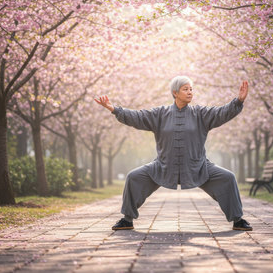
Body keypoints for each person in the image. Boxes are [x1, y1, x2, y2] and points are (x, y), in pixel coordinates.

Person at [94, 76, 252, 231]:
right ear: (175, 93)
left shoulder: (201, 114)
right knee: (133, 177)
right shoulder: (160, 114)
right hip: (163, 166)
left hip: (198, 167)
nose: (190, 92)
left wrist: (238, 101)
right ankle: (127, 219)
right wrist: (114, 109)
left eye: (191, 89)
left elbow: (221, 113)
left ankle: (238, 220)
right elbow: (138, 117)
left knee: (228, 177)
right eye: (185, 89)